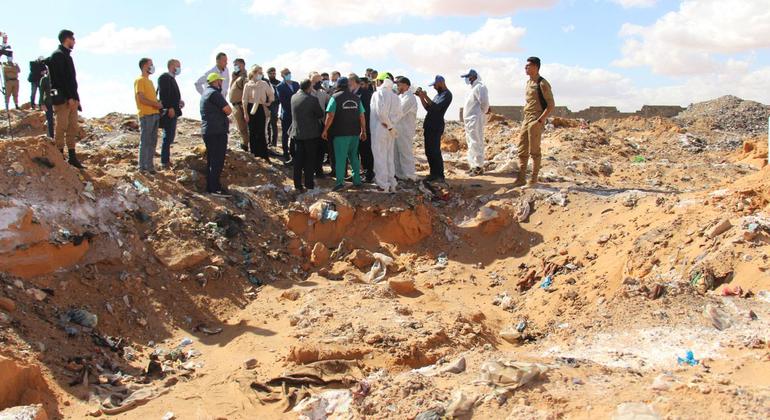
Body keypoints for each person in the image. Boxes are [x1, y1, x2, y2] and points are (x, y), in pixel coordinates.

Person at [321, 77, 367, 191]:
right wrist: (363, 130)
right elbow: (362, 115)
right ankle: (357, 181)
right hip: (354, 133)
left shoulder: (335, 97)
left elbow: (330, 115)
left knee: (340, 158)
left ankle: (340, 183)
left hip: (340, 134)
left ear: (337, 85)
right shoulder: (356, 98)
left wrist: (325, 130)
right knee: (354, 157)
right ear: (348, 85)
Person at [515, 56, 555, 187]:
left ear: (536, 67)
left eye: (528, 66)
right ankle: (521, 178)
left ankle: (533, 180)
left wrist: (540, 120)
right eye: (525, 66)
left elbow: (551, 105)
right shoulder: (528, 83)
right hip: (527, 118)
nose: (525, 68)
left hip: (536, 119)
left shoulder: (542, 83)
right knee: (522, 149)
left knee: (534, 151)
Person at [49, 29, 84, 168]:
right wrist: (69, 96)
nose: (74, 41)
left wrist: (76, 98)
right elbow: (60, 79)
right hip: (63, 99)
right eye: (73, 39)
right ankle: (59, 155)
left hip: (71, 99)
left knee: (73, 127)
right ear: (67, 39)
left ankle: (72, 156)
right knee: (62, 126)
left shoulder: (67, 56)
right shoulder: (57, 55)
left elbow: (71, 81)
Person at [200, 72, 233, 196]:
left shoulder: (205, 93)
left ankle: (211, 187)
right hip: (217, 131)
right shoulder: (214, 93)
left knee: (212, 160)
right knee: (217, 160)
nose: (221, 83)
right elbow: (228, 110)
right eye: (220, 81)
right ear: (216, 81)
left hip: (209, 131)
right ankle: (215, 189)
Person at [289, 79, 323, 192]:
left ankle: (297, 184)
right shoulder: (312, 99)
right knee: (310, 159)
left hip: (297, 133)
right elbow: (320, 114)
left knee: (298, 160)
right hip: (310, 134)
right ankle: (309, 184)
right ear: (309, 87)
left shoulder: (293, 97)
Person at [416, 75, 452, 182]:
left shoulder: (447, 94)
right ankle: (433, 173)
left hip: (436, 126)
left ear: (441, 82)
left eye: (435, 85)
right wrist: (421, 97)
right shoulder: (438, 95)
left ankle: (439, 175)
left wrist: (425, 96)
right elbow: (429, 108)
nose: (434, 87)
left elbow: (436, 107)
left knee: (435, 150)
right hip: (429, 125)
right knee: (429, 151)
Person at [370, 72, 402, 192]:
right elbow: (400, 114)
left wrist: (388, 125)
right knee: (389, 157)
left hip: (380, 129)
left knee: (380, 157)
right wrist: (391, 126)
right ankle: (391, 183)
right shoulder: (395, 96)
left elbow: (381, 113)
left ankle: (382, 185)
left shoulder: (378, 94)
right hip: (390, 131)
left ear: (380, 81)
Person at [134, 58, 162, 173]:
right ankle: (142, 167)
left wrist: (158, 104)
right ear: (145, 66)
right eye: (151, 64)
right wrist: (155, 104)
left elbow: (151, 98)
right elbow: (141, 98)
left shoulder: (149, 82)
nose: (152, 67)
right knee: (145, 141)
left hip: (154, 114)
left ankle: (149, 166)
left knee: (152, 141)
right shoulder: (140, 80)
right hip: (146, 115)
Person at [461, 69, 490, 176]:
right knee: (470, 142)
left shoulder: (480, 87)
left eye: (468, 77)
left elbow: (485, 103)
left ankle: (479, 166)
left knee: (476, 142)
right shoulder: (471, 89)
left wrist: (481, 113)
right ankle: (473, 165)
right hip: (469, 120)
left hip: (475, 119)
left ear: (473, 76)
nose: (467, 79)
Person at [242, 64, 274, 161]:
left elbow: (271, 95)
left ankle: (263, 155)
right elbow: (244, 100)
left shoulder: (264, 84)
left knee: (261, 131)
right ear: (254, 73)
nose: (261, 74)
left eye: (261, 73)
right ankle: (254, 154)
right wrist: (245, 113)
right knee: (252, 131)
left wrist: (268, 103)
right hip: (250, 108)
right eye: (259, 72)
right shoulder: (247, 85)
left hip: (260, 108)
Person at [157, 59, 184, 169]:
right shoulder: (164, 78)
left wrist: (179, 102)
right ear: (171, 66)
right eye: (177, 66)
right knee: (167, 137)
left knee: (170, 136)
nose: (179, 68)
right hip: (169, 111)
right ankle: (164, 161)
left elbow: (172, 95)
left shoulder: (172, 79)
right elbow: (164, 95)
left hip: (174, 110)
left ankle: (166, 160)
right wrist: (170, 108)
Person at [393, 76, 418, 181]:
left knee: (405, 153)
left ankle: (409, 176)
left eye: (398, 85)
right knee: (396, 153)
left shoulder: (409, 97)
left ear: (405, 85)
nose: (397, 87)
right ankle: (399, 175)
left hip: (405, 130)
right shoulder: (401, 96)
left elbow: (399, 112)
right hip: (397, 129)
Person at [351, 74, 374, 183]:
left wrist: (363, 128)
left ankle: (369, 174)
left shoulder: (365, 93)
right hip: (353, 128)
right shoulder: (351, 93)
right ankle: (360, 172)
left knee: (366, 151)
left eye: (350, 82)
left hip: (364, 127)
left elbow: (366, 112)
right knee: (357, 152)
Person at [276, 68, 300, 163]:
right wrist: (292, 109)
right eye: (286, 73)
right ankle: (285, 153)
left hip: (297, 114)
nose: (288, 74)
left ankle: (293, 153)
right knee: (286, 134)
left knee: (294, 135)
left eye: (289, 72)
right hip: (287, 113)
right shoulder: (280, 86)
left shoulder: (296, 84)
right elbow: (283, 101)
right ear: (282, 75)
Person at [309, 72, 331, 177]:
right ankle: (309, 169)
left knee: (321, 149)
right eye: (316, 81)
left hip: (321, 124)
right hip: (310, 124)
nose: (318, 83)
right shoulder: (307, 93)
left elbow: (331, 101)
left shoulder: (322, 92)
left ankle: (318, 170)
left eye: (319, 81)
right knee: (310, 149)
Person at [229, 58, 249, 151]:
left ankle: (245, 145)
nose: (235, 67)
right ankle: (244, 144)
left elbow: (247, 92)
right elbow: (231, 88)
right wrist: (234, 77)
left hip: (240, 105)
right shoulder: (236, 76)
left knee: (243, 127)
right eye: (234, 65)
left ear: (242, 65)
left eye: (236, 65)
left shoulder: (245, 77)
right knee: (240, 127)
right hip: (235, 105)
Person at [266, 67, 280, 148]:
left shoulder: (278, 83)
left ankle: (274, 142)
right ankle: (268, 141)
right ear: (268, 74)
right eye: (271, 73)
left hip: (275, 105)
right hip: (266, 105)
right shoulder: (265, 82)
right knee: (267, 124)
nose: (272, 75)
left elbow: (280, 96)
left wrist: (275, 101)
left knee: (273, 124)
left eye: (274, 73)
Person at [38, 66, 54, 138]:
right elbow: (41, 92)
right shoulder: (44, 79)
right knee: (50, 120)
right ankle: (51, 137)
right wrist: (41, 103)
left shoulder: (57, 79)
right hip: (48, 102)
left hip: (57, 103)